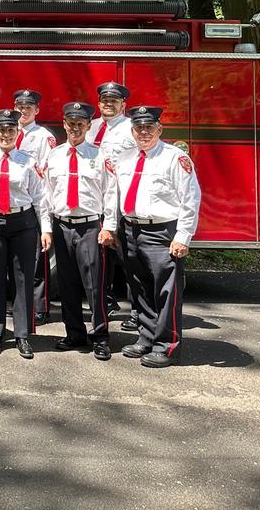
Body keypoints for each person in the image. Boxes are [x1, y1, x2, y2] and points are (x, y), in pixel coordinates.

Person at [112, 106, 201, 368]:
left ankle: (167, 347)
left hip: (163, 232)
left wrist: (183, 236)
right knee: (139, 290)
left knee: (166, 292)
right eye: (139, 128)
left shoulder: (175, 158)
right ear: (132, 131)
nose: (144, 132)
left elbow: (191, 199)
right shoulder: (125, 159)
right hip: (131, 230)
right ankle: (147, 337)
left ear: (159, 129)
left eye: (149, 127)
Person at [0, 108, 51, 359]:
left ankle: (23, 335)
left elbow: (40, 198)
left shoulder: (28, 161)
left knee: (23, 280)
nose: (6, 134)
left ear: (17, 132)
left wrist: (45, 229)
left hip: (22, 222)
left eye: (11, 130)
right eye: (1, 130)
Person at [43, 102, 117, 361]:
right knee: (67, 284)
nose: (74, 128)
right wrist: (47, 228)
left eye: (80, 124)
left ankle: (100, 337)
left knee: (94, 285)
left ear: (88, 126)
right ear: (64, 125)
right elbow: (46, 194)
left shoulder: (100, 156)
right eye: (70, 123)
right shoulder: (54, 156)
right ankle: (74, 333)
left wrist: (109, 227)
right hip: (62, 225)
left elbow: (111, 193)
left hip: (89, 226)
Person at [86, 80, 139, 329]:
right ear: (99, 104)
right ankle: (105, 301)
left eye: (114, 101)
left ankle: (138, 310)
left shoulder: (132, 128)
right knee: (100, 254)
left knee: (128, 256)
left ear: (123, 104)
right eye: (105, 100)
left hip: (122, 197)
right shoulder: (91, 126)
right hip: (95, 198)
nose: (108, 104)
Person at [12, 88, 56, 324]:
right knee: (19, 258)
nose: (23, 110)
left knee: (39, 258)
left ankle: (40, 306)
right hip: (15, 201)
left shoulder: (43, 137)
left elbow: (46, 170)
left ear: (37, 110)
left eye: (28, 107)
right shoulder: (7, 132)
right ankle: (19, 302)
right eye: (20, 106)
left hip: (35, 199)